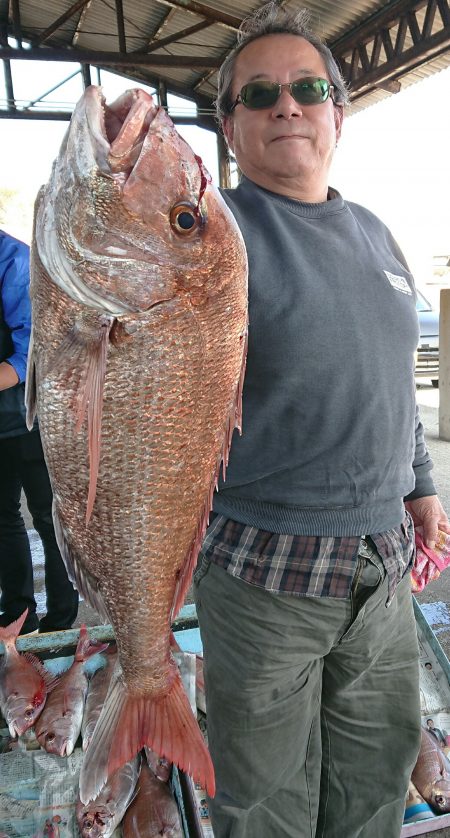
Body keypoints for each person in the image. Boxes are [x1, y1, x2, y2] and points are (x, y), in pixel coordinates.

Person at [193, 4, 450, 837]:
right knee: (267, 803)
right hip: (264, 573)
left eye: (307, 88)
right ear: (230, 126)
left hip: (381, 567)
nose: (285, 106)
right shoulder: (212, 236)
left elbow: (388, 382)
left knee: (375, 777)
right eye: (257, 94)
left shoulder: (374, 230)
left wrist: (419, 485)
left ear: (338, 109)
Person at [0, 229, 78, 635]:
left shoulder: (13, 259)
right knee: (3, 520)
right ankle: (18, 613)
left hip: (31, 418)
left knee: (51, 519)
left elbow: (32, 343)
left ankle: (62, 621)